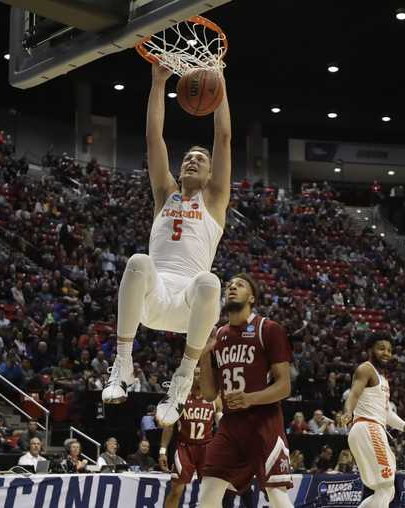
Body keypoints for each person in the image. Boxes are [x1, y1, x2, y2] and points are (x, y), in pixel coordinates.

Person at [103, 61, 232, 432]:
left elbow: (222, 138)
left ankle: (182, 378)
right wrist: (159, 82)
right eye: (188, 157)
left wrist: (219, 84)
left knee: (210, 282)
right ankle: (123, 361)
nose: (193, 159)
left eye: (200, 159)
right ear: (179, 169)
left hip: (188, 309)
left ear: (210, 174)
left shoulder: (215, 201)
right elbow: (153, 139)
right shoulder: (165, 194)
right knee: (139, 261)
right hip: (153, 299)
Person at [196, 274, 295, 508]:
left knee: (277, 497)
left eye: (239, 285)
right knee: (208, 495)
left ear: (251, 297)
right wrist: (203, 356)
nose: (232, 288)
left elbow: (284, 386)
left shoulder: (268, 329)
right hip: (231, 425)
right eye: (229, 285)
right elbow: (210, 394)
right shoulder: (218, 335)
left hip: (264, 423)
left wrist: (250, 398)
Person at [340, 334, 405, 508]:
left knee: (387, 490)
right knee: (385, 487)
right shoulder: (366, 369)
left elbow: (385, 412)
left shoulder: (383, 378)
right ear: (370, 350)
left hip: (370, 429)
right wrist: (348, 412)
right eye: (381, 348)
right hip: (368, 428)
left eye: (389, 350)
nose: (386, 353)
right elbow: (353, 394)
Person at [160, 368, 221, 508]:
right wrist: (162, 451)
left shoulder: (215, 399)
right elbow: (169, 426)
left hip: (206, 448)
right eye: (195, 374)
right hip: (184, 448)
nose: (198, 377)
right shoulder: (180, 398)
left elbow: (223, 426)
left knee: (210, 492)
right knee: (176, 490)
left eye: (201, 374)